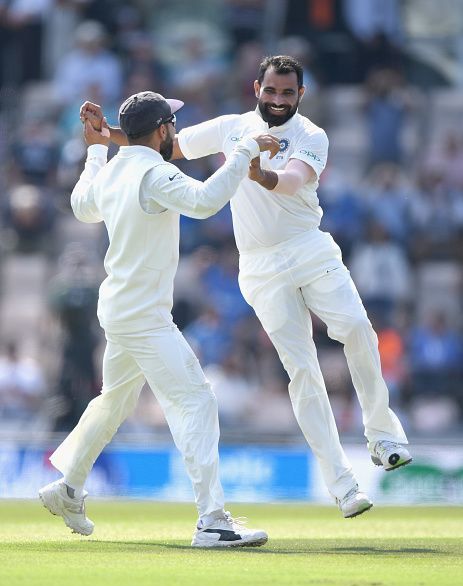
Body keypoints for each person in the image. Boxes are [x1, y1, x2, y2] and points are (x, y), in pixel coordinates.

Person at [81, 55, 412, 519]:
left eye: (288, 93)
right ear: (256, 88)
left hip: (309, 247)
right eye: (271, 91)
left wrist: (259, 174)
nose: (278, 100)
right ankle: (343, 486)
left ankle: (382, 433)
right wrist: (104, 134)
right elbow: (163, 146)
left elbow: (293, 179)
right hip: (259, 267)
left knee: (358, 328)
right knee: (303, 371)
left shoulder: (311, 135)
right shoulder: (231, 127)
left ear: (301, 95)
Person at [39, 90, 280, 548]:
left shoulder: (114, 169)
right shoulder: (154, 172)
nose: (175, 130)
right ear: (164, 130)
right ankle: (212, 520)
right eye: (173, 123)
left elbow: (79, 205)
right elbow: (207, 201)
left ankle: (68, 486)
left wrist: (94, 149)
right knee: (197, 400)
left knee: (115, 401)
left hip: (120, 308)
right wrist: (245, 150)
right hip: (143, 316)